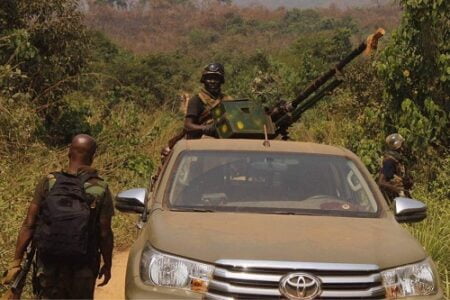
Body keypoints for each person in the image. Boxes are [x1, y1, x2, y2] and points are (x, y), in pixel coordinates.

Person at [1, 134, 114, 299]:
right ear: (92, 157)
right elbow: (105, 233)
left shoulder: (49, 182)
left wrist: (16, 261)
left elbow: (29, 224)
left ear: (69, 152)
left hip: (48, 265)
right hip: (83, 266)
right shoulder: (100, 188)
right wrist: (107, 263)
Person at [184, 63, 232, 139]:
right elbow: (188, 126)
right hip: (202, 139)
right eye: (209, 78)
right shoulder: (197, 100)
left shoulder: (227, 99)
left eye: (216, 78)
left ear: (221, 81)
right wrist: (207, 128)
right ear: (204, 80)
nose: (212, 81)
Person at [378, 133, 413, 204]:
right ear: (398, 146)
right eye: (402, 144)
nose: (404, 146)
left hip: (400, 196)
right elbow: (381, 182)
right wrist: (395, 189)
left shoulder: (398, 160)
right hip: (393, 198)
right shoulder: (389, 161)